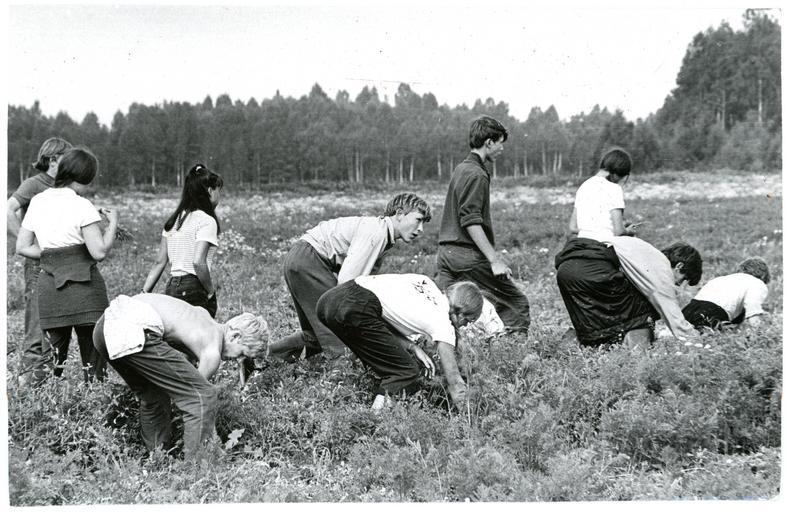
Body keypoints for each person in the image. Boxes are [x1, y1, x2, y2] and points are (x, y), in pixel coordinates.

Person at [92, 293, 267, 459]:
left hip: (105, 327)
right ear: (235, 336)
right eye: (242, 354)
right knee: (202, 396)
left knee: (154, 394)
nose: (238, 360)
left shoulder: (203, 315)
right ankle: (199, 466)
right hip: (132, 330)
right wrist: (214, 440)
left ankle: (158, 458)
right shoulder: (212, 351)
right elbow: (193, 398)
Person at [267, 193, 432, 361]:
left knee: (315, 334)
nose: (421, 229)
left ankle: (260, 359)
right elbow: (346, 286)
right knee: (339, 331)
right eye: (418, 220)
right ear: (399, 214)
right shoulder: (376, 233)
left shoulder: (382, 234)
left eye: (424, 223)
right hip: (308, 260)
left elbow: (364, 288)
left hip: (300, 259)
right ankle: (341, 374)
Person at [16, 147, 117, 382]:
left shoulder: (38, 201)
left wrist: (52, 254)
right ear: (86, 177)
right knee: (94, 361)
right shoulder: (82, 205)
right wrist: (112, 223)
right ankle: (94, 398)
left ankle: (43, 398)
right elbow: (99, 251)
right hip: (86, 290)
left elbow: (22, 246)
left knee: (51, 360)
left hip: (51, 288)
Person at [316, 275, 482, 409]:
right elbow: (455, 384)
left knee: (386, 363)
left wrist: (412, 347)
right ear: (461, 313)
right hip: (354, 308)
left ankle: (367, 402)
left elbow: (380, 315)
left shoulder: (426, 282)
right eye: (469, 321)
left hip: (330, 299)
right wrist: (470, 417)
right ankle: (371, 421)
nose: (465, 326)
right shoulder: (443, 325)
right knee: (405, 371)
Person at [436, 115, 530, 334]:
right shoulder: (477, 174)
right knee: (515, 303)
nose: (502, 149)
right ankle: (513, 350)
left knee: (450, 310)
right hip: (466, 255)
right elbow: (470, 221)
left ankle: (450, 347)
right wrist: (494, 260)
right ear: (489, 142)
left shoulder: (461, 168)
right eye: (500, 143)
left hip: (446, 254)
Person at [555, 237, 702, 348]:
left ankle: (573, 343)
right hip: (594, 269)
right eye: (684, 279)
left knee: (593, 321)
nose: (679, 285)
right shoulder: (661, 267)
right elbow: (669, 310)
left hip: (567, 269)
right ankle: (637, 348)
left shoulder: (646, 252)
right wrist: (695, 341)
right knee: (644, 310)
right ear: (679, 266)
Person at [8, 137, 73, 383]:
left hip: (62, 265)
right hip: (38, 266)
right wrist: (25, 242)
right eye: (67, 157)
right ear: (53, 159)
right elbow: (7, 210)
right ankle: (28, 383)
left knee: (57, 325)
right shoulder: (34, 184)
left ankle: (49, 381)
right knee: (36, 324)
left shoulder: (65, 187)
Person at [142, 164, 223, 318]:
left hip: (172, 287)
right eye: (219, 190)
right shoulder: (206, 221)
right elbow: (198, 262)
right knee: (201, 331)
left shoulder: (174, 221)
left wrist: (143, 293)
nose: (220, 195)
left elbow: (159, 262)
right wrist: (210, 291)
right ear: (209, 191)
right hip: (194, 287)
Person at [568, 147, 639, 242]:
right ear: (617, 174)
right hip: (605, 244)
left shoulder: (584, 186)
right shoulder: (614, 188)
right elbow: (619, 232)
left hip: (582, 241)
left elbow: (572, 227)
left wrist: (590, 231)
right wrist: (628, 230)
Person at [682, 257, 770, 329]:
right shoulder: (757, 283)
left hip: (690, 308)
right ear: (763, 276)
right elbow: (752, 308)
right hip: (713, 312)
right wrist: (759, 334)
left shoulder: (723, 279)